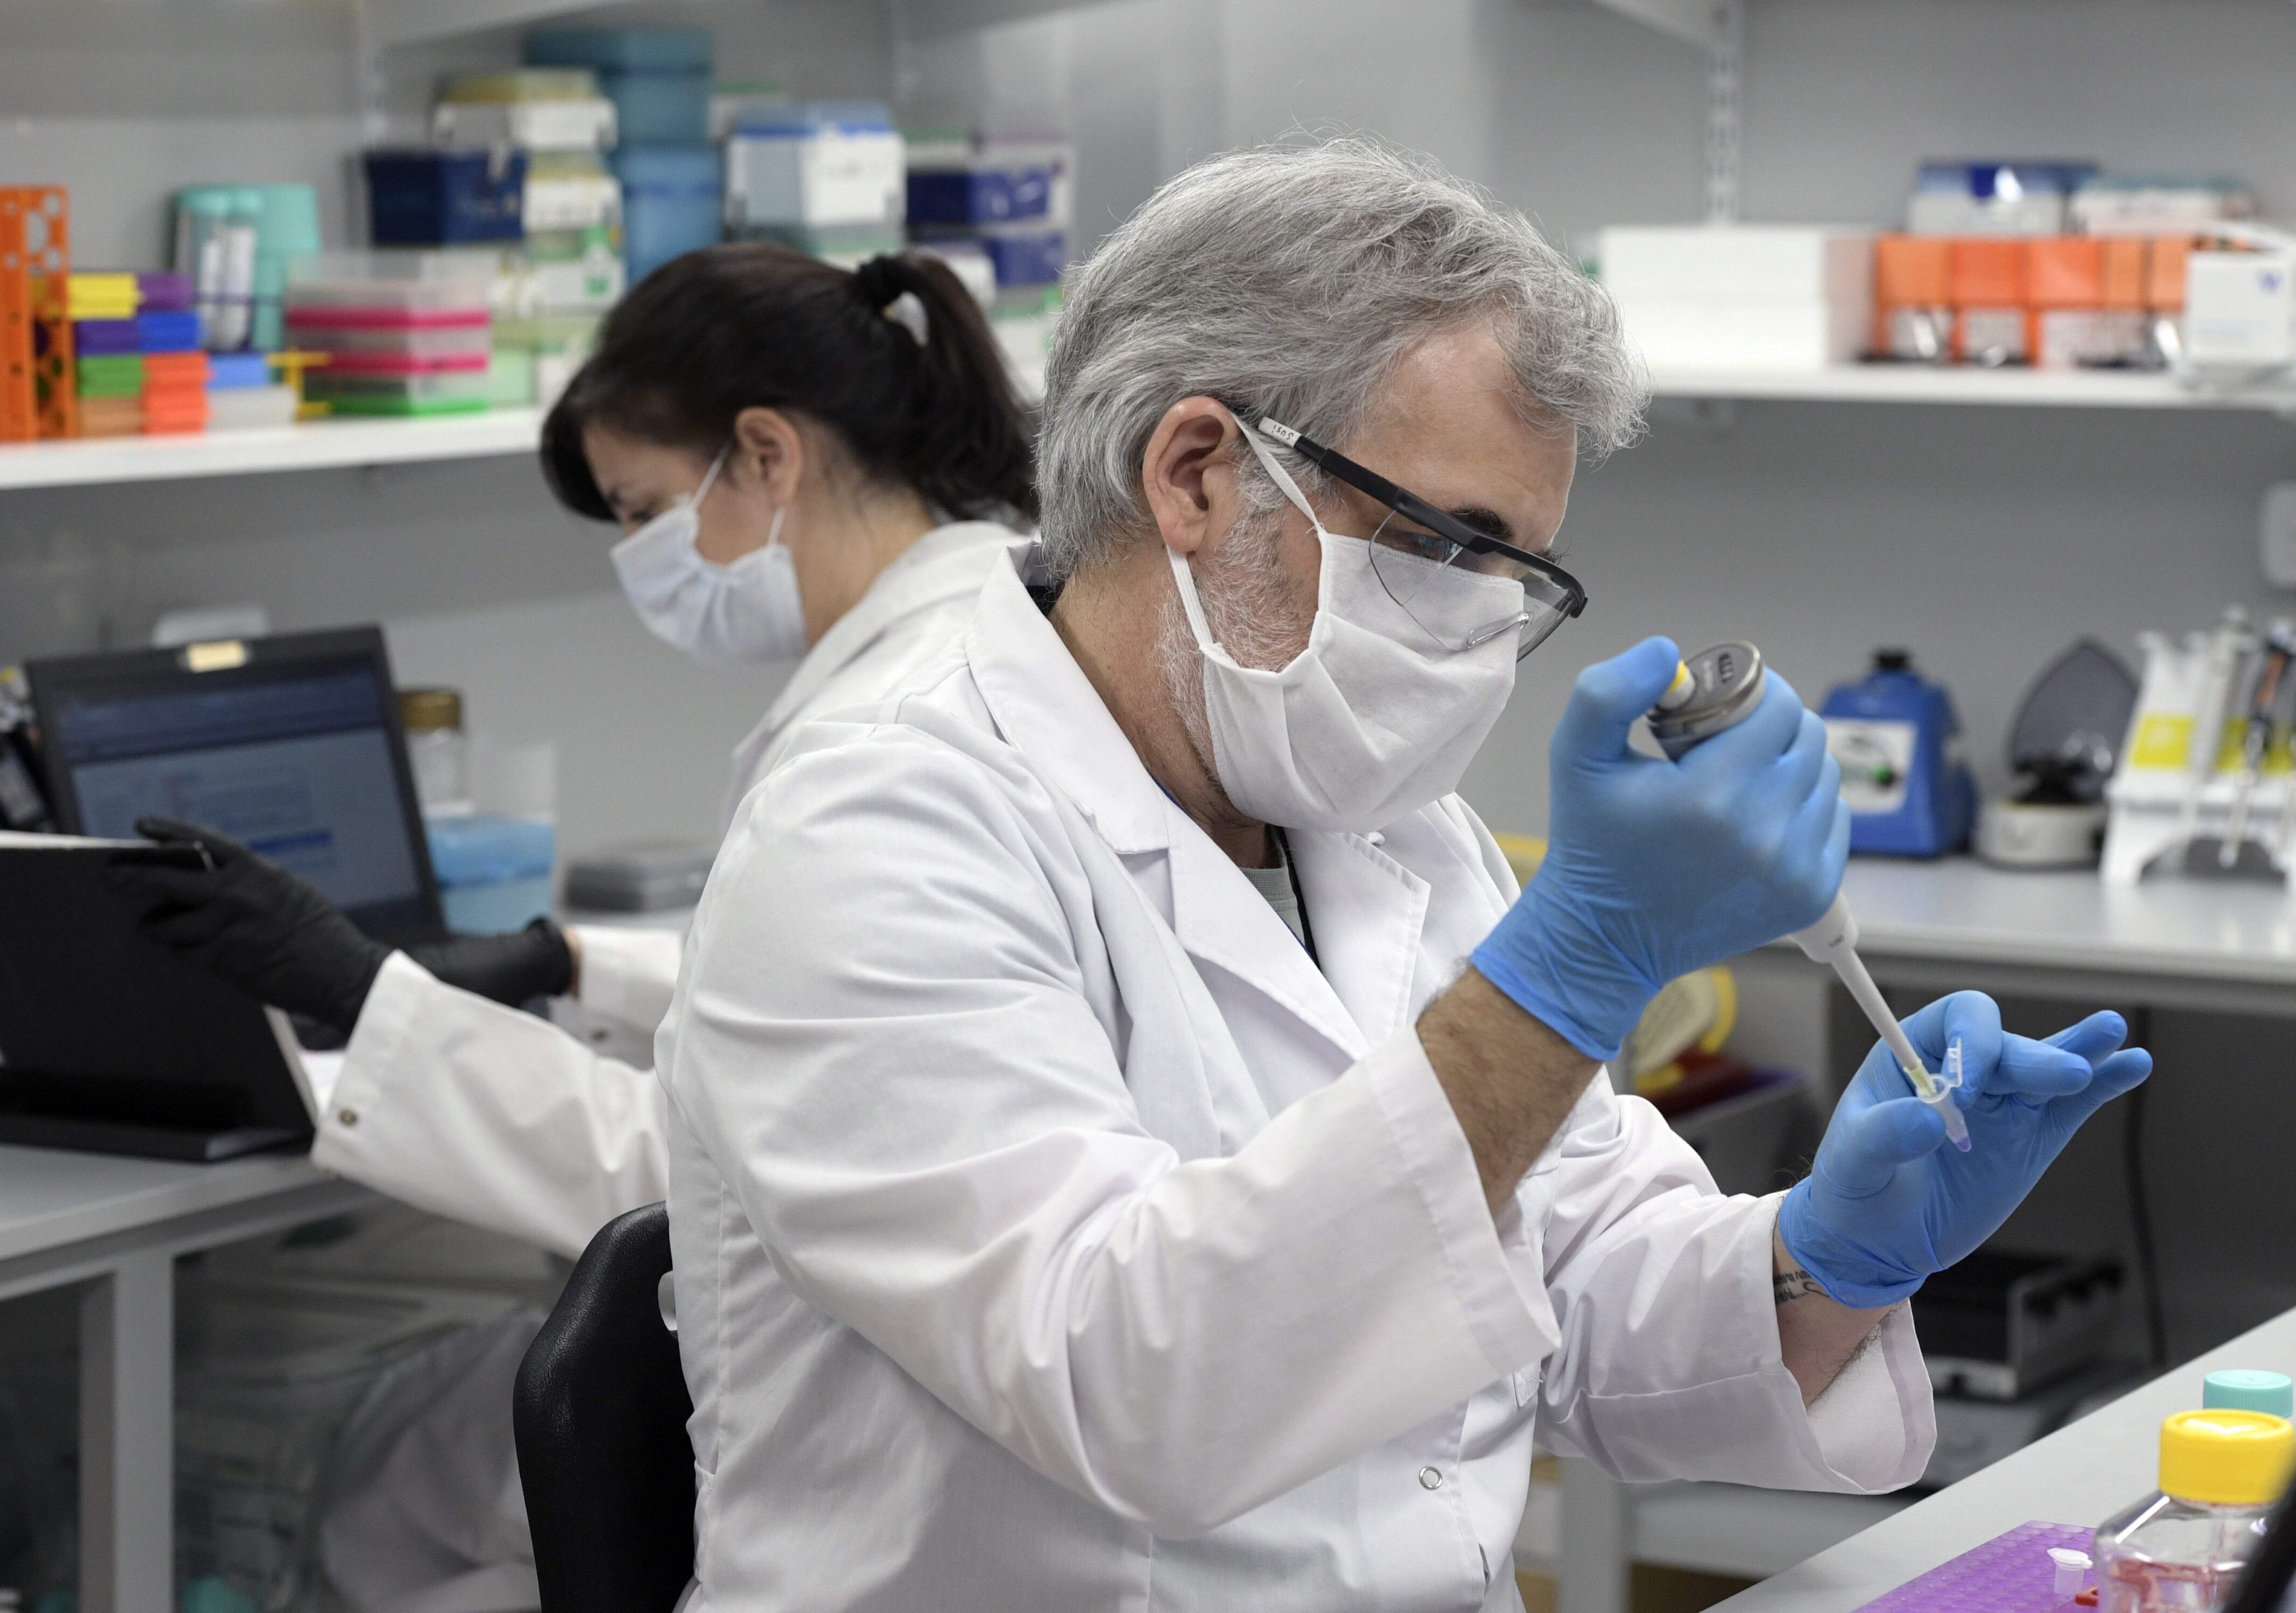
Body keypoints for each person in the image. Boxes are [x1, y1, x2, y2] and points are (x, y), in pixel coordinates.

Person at [662, 141, 2153, 1610]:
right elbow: (1137, 1387)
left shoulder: (1360, 811)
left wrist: (1824, 1258)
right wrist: (1573, 970)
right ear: (1193, 472)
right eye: (1449, 543)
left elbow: (1558, 1282)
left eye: (1525, 574)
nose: (1481, 624)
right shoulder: (874, 824)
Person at [114, 243, 1036, 1260]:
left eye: (645, 511)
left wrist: (365, 998)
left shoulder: (876, 746)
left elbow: (699, 1173)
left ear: (768, 453)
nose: (636, 555)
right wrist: (575, 959)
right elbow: (830, 1022)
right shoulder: (987, 637)